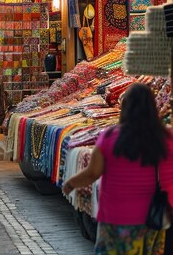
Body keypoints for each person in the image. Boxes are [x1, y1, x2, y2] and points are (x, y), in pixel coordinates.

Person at [63, 83, 173, 254]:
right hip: (154, 218)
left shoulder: (110, 136)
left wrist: (70, 183)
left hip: (116, 219)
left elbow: (93, 173)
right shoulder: (168, 137)